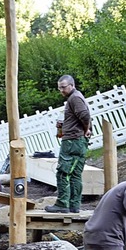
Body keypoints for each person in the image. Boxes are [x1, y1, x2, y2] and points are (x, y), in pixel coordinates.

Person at [45, 75, 92, 213]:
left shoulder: (75, 98)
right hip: (78, 141)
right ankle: (74, 205)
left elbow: (85, 115)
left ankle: (62, 204)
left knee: (63, 173)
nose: (61, 90)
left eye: (63, 87)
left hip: (72, 141)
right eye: (59, 88)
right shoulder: (76, 97)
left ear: (72, 85)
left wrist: (86, 129)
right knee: (75, 174)